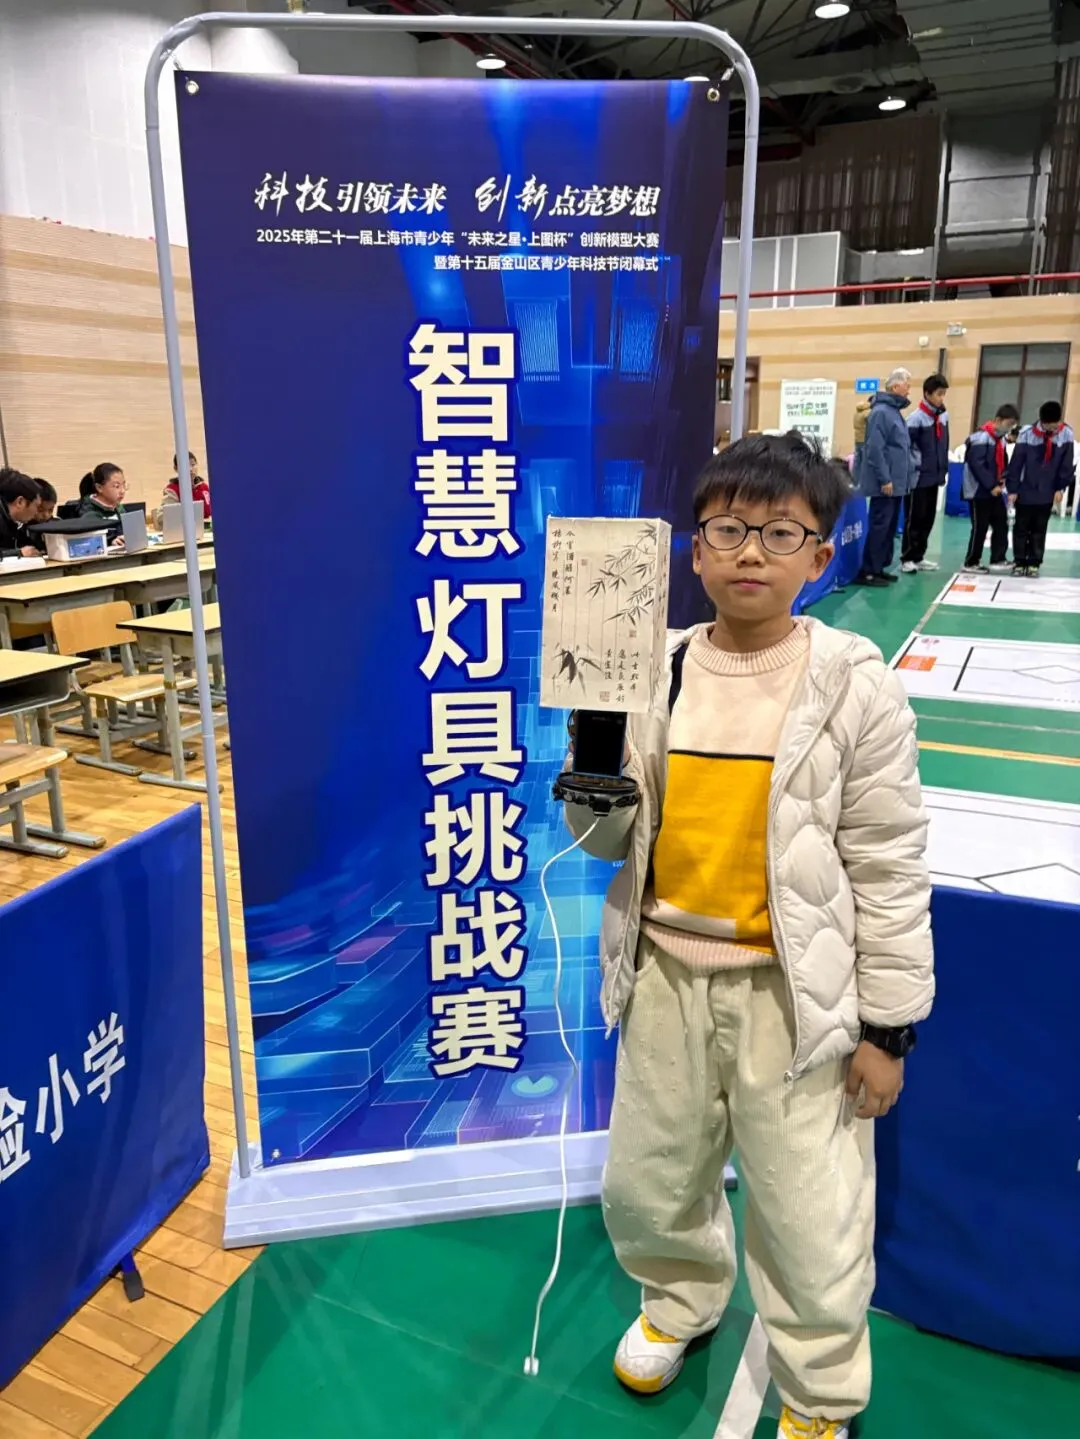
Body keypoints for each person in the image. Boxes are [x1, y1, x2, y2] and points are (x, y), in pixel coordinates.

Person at [566, 435, 934, 1439]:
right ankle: (678, 1301)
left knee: (811, 1213)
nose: (749, 553)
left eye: (780, 533)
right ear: (696, 549)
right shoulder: (653, 668)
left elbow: (890, 865)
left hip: (793, 999)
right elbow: (603, 843)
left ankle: (819, 1390)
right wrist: (593, 752)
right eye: (728, 529)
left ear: (821, 553)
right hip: (663, 976)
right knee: (649, 1182)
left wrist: (888, 1027)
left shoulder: (854, 684)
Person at [853, 368, 917, 587]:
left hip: (897, 483)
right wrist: (885, 479)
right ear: (895, 386)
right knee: (880, 526)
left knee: (889, 528)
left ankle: (879, 567)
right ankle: (868, 570)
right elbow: (875, 449)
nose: (909, 389)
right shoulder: (881, 412)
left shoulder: (894, 412)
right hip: (886, 484)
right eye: (907, 385)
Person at [1008, 400, 1074, 577]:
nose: (1053, 429)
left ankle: (1034, 562)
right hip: (1026, 490)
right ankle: (1019, 561)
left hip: (1047, 490)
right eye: (1050, 426)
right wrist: (1013, 489)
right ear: (1042, 422)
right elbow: (1016, 463)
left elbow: (1066, 465)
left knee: (1039, 528)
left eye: (1056, 424)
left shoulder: (1066, 434)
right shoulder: (1027, 434)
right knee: (1021, 528)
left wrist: (1060, 488)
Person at [901, 373, 949, 573]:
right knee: (915, 518)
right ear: (927, 394)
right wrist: (916, 467)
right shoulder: (915, 419)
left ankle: (919, 556)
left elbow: (944, 444)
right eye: (939, 394)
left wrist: (942, 469)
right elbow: (906, 449)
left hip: (934, 476)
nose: (941, 398)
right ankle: (907, 557)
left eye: (944, 394)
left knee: (928, 518)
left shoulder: (943, 416)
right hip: (918, 478)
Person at [962, 405, 1019, 574]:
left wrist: (1002, 479)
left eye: (1012, 425)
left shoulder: (1000, 440)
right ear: (998, 420)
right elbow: (977, 465)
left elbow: (1002, 462)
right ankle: (971, 562)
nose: (1009, 428)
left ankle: (998, 558)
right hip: (978, 491)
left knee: (1001, 523)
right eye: (1008, 424)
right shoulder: (980, 438)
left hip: (995, 490)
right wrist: (990, 485)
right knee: (980, 527)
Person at [0, 470, 43, 558]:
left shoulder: (11, 523)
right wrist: (18, 553)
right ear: (20, 502)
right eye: (36, 506)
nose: (36, 512)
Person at [164, 451, 211, 519]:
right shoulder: (171, 490)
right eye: (185, 466)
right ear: (176, 469)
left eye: (193, 464)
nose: (191, 469)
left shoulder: (204, 487)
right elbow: (165, 517)